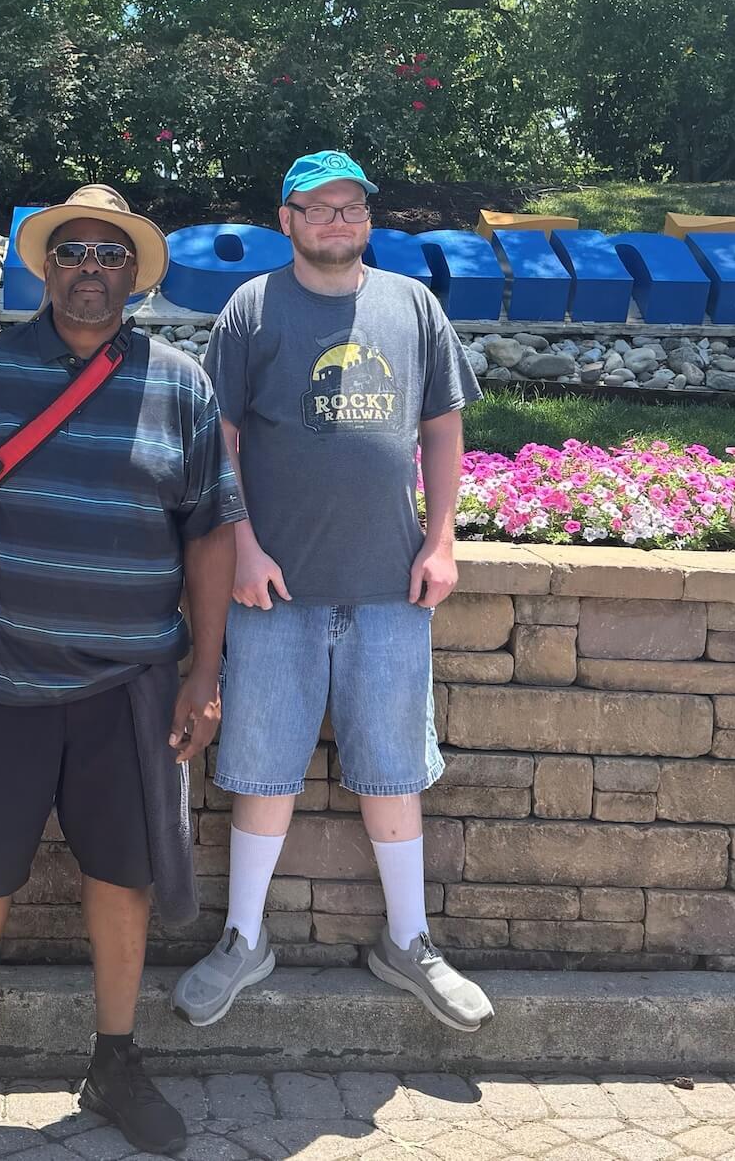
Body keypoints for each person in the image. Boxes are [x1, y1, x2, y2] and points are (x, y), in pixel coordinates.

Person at [0, 185, 243, 1158]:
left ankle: (114, 1060)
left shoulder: (181, 385)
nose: (91, 268)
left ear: (133, 271)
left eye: (110, 253)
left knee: (121, 880)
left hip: (129, 690)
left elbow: (212, 532)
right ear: (46, 267)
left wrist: (204, 669)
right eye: (73, 250)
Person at [171, 151, 494, 1033]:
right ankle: (243, 939)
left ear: (368, 218)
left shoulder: (413, 305)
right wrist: (242, 546)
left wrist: (441, 540)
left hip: (391, 588)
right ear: (287, 220)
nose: (334, 223)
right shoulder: (250, 310)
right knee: (261, 767)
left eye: (350, 209)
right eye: (316, 210)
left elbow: (441, 425)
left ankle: (411, 941)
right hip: (273, 592)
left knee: (393, 769)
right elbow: (220, 437)